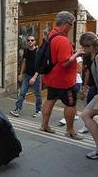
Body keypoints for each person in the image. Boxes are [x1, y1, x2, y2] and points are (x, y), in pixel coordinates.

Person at [39, 11, 84, 140]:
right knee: (70, 104)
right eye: (70, 25)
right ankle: (70, 130)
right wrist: (77, 54)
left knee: (50, 100)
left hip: (52, 77)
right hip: (64, 80)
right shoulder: (63, 40)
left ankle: (44, 125)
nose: (71, 27)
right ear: (64, 23)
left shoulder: (51, 34)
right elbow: (65, 62)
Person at [10, 34, 42, 118]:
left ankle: (38, 110)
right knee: (22, 93)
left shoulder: (38, 52)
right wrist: (20, 74)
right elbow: (24, 62)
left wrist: (34, 77)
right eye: (28, 40)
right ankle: (17, 109)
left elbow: (40, 66)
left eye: (32, 40)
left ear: (35, 41)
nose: (30, 42)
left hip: (36, 76)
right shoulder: (26, 51)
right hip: (27, 75)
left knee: (38, 94)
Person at [59, 43, 83, 127]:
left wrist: (68, 69)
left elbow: (79, 70)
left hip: (76, 82)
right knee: (72, 100)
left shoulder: (78, 57)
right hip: (69, 81)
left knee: (69, 101)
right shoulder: (66, 57)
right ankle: (75, 114)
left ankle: (66, 118)